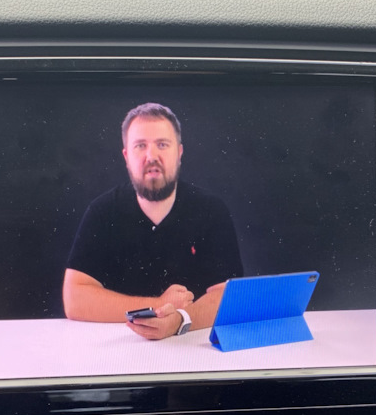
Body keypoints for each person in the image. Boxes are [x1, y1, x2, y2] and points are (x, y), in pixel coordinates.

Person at [63, 103, 243, 340]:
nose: (152, 156)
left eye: (162, 144)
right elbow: (74, 299)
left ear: (179, 153)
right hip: (117, 346)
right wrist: (159, 305)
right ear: (126, 156)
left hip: (192, 345)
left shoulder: (211, 210)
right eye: (140, 146)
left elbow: (228, 297)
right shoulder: (102, 212)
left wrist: (179, 320)